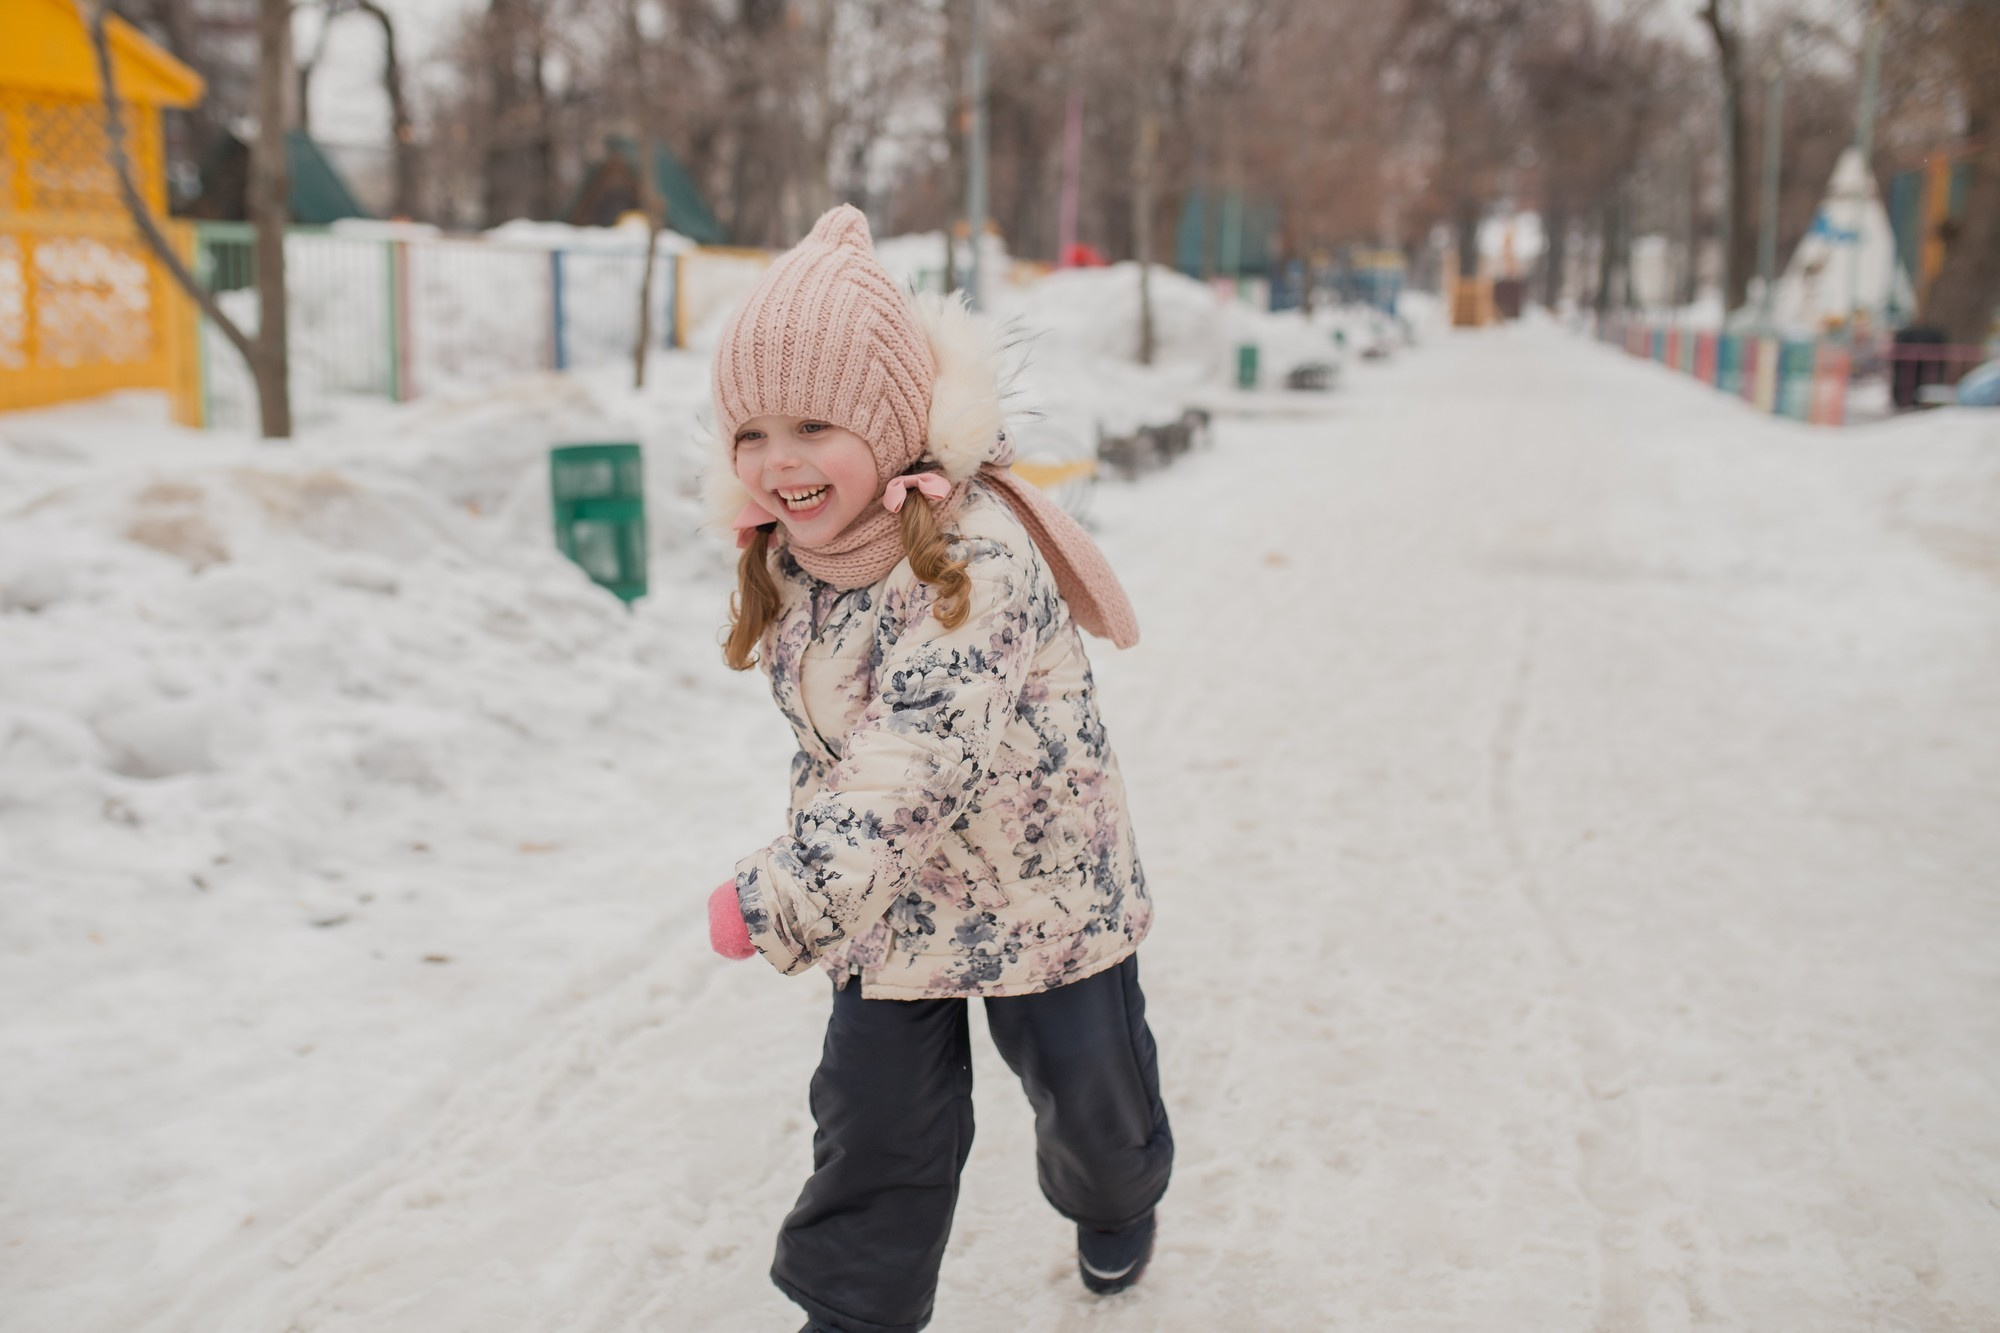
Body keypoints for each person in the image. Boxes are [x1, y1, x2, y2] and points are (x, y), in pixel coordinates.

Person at [701, 205, 1173, 1333]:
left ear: (888, 421)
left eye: (814, 424)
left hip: (1039, 888)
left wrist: (786, 891)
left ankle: (1115, 1198)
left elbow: (915, 753)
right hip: (893, 907)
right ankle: (853, 1311)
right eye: (751, 434)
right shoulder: (797, 554)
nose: (780, 462)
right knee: (873, 1130)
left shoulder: (978, 554)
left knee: (1093, 1113)